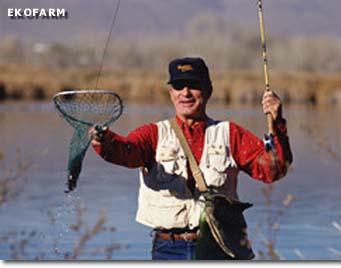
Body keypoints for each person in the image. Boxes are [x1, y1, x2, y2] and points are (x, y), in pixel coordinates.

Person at [89, 57, 293, 260]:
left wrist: (277, 123)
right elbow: (125, 151)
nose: (185, 93)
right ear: (171, 94)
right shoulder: (152, 134)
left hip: (219, 246)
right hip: (167, 249)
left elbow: (273, 171)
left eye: (193, 85)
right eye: (178, 86)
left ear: (208, 91)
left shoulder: (230, 133)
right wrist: (104, 140)